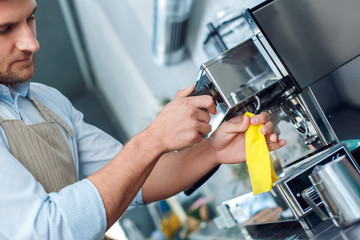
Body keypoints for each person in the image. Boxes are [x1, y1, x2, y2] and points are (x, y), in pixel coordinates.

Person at [0, 0, 286, 239]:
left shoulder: (47, 99)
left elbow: (136, 180)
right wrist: (154, 138)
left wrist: (212, 151)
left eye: (31, 18)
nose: (32, 43)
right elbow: (48, 231)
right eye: (5, 29)